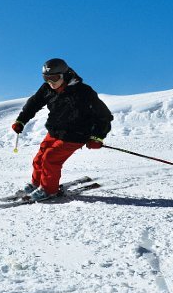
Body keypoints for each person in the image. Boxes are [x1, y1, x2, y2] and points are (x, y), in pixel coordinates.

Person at [11, 58, 113, 201]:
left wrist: (97, 137)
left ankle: (48, 190)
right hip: (55, 131)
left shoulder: (83, 92)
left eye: (54, 78)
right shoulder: (47, 88)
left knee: (50, 158)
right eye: (46, 78)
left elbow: (104, 116)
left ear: (64, 75)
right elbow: (33, 103)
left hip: (75, 135)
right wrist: (21, 120)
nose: (50, 82)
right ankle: (37, 183)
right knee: (39, 158)